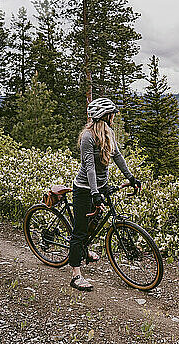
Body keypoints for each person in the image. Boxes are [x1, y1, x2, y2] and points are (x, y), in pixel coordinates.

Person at [70, 97, 141, 291]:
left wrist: (131, 177)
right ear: (104, 116)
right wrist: (94, 193)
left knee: (96, 220)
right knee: (80, 230)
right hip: (85, 189)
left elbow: (117, 156)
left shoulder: (109, 132)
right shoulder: (87, 137)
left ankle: (84, 250)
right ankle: (76, 275)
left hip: (100, 186)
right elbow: (90, 168)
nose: (113, 118)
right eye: (111, 114)